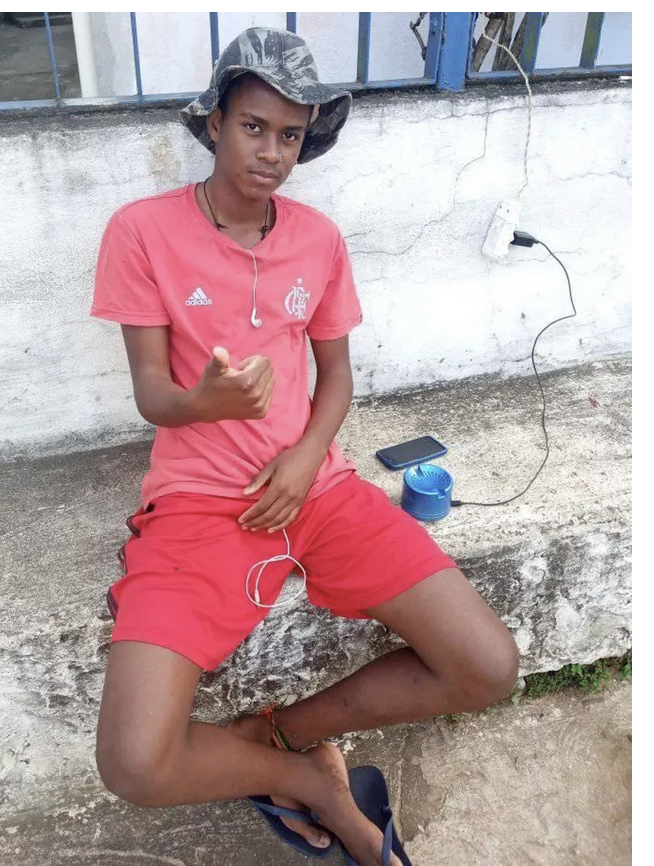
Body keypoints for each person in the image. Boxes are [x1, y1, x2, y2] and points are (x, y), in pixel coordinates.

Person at [91, 27, 519, 866]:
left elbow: (337, 377)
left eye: (290, 135)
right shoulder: (141, 231)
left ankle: (280, 734)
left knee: (487, 666)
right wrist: (204, 403)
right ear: (215, 122)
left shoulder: (318, 239)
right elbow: (152, 395)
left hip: (319, 491)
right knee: (133, 761)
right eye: (254, 126)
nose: (272, 151)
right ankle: (305, 781)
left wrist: (303, 456)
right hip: (200, 504)